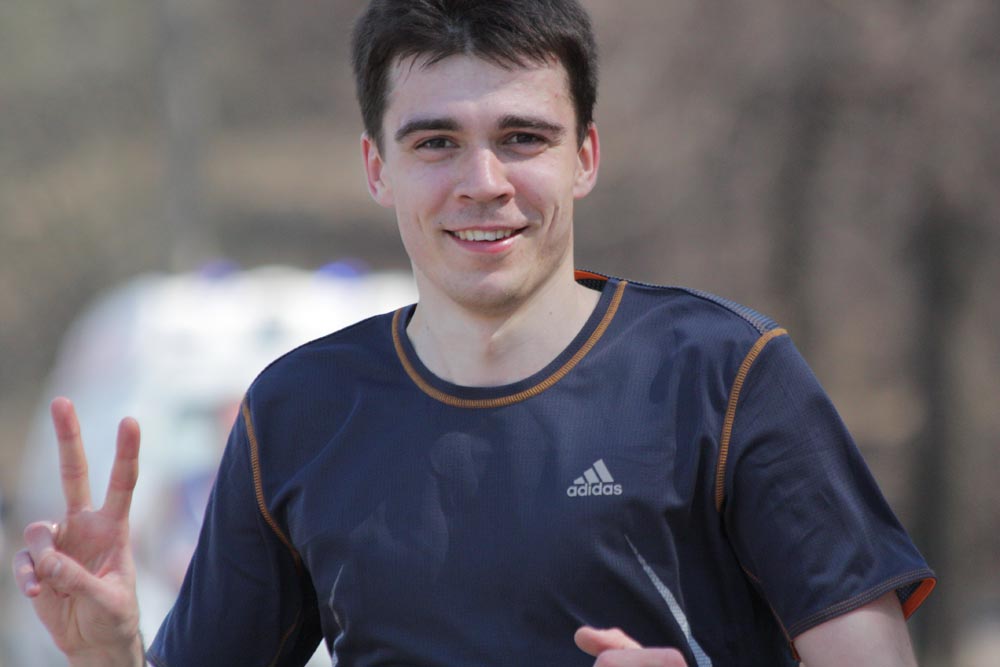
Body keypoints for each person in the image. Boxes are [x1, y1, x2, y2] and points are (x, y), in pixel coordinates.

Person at [12, 1, 935, 665]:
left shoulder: (725, 375)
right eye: (436, 142)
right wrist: (112, 655)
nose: (483, 182)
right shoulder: (296, 411)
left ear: (586, 157)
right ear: (377, 167)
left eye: (523, 138)